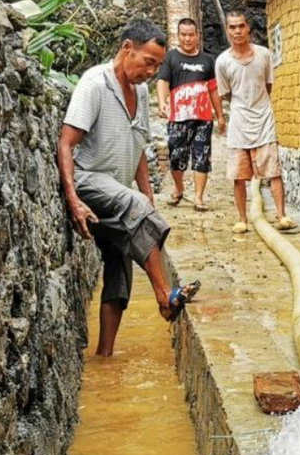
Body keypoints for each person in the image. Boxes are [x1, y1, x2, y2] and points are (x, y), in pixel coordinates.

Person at [57, 19, 200, 357]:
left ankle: (104, 356)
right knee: (135, 207)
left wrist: (147, 198)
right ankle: (165, 297)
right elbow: (65, 143)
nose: (151, 71)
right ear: (126, 49)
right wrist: (73, 199)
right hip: (88, 180)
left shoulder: (140, 91)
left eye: (156, 65)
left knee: (119, 272)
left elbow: (138, 150)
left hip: (118, 193)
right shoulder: (94, 84)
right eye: (147, 61)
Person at [215, 9, 296, 234]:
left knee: (273, 171)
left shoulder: (264, 55)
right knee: (238, 175)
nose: (237, 31)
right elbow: (226, 93)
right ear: (227, 30)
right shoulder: (222, 62)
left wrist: (258, 106)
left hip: (263, 119)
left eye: (241, 26)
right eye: (232, 27)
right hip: (239, 123)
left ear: (248, 27)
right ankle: (242, 218)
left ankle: (282, 215)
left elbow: (268, 86)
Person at [156, 17, 225, 210]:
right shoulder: (170, 57)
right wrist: (162, 103)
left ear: (197, 36)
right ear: (178, 36)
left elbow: (213, 89)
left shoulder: (208, 60)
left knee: (202, 156)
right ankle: (178, 189)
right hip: (178, 117)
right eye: (183, 35)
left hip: (203, 118)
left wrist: (219, 115)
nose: (187, 39)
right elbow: (162, 81)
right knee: (176, 156)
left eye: (191, 35)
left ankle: (198, 198)